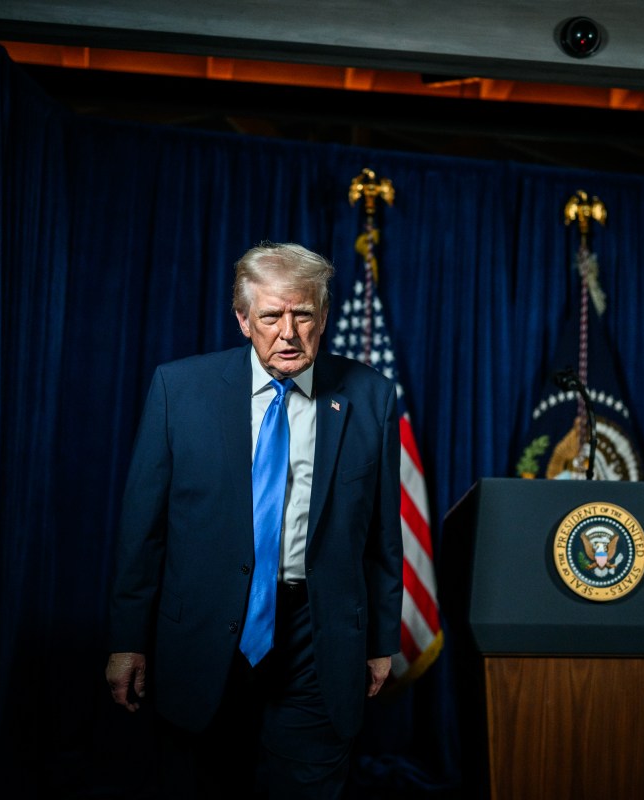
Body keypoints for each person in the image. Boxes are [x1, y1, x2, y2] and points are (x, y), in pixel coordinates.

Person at [104, 242, 404, 799]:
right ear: (243, 320)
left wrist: (382, 639)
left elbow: (384, 536)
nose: (288, 333)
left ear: (323, 317)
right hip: (202, 635)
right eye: (271, 316)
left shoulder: (373, 397)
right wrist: (127, 640)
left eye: (303, 315)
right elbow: (142, 532)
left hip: (318, 637)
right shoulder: (179, 390)